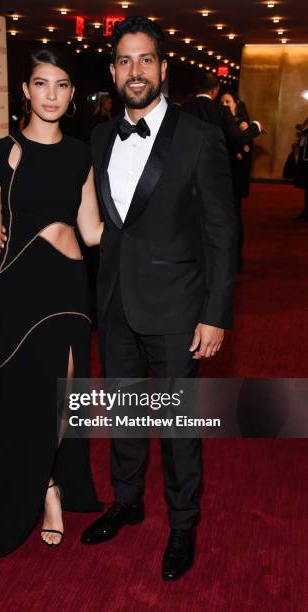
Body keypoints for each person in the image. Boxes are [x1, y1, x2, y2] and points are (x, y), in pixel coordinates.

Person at [79, 16, 237, 582]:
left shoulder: (198, 138)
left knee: (177, 428)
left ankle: (184, 523)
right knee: (122, 413)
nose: (136, 71)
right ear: (114, 71)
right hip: (116, 304)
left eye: (146, 59)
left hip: (177, 309)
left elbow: (222, 232)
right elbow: (102, 224)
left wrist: (215, 314)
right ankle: (126, 500)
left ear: (163, 68)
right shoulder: (99, 137)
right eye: (125, 61)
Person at [0, 46, 103, 560]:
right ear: (25, 89)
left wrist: (149, 231)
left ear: (72, 93)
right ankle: (43, 486)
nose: (52, 95)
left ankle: (54, 481)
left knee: (67, 390)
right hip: (20, 284)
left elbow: (90, 231)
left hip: (69, 284)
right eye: (42, 83)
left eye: (62, 85)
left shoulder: (81, 153)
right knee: (26, 393)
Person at [182, 72, 262, 161]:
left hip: (185, 163)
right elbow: (237, 140)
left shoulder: (183, 109)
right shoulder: (222, 111)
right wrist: (256, 126)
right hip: (212, 165)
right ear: (215, 89)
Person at [220, 90, 254, 270]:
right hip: (222, 178)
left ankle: (236, 259)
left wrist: (234, 153)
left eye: (228, 102)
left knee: (233, 219)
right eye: (222, 102)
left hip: (233, 179)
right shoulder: (223, 123)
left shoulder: (241, 124)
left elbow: (245, 153)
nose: (224, 105)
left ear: (236, 104)